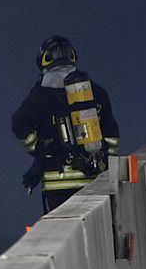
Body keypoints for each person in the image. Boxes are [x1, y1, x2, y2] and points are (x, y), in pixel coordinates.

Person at [11, 35, 119, 212]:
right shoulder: (95, 91)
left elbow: (18, 124)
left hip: (57, 185)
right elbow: (113, 136)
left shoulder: (39, 96)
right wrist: (103, 162)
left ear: (44, 60)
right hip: (92, 182)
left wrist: (38, 149)